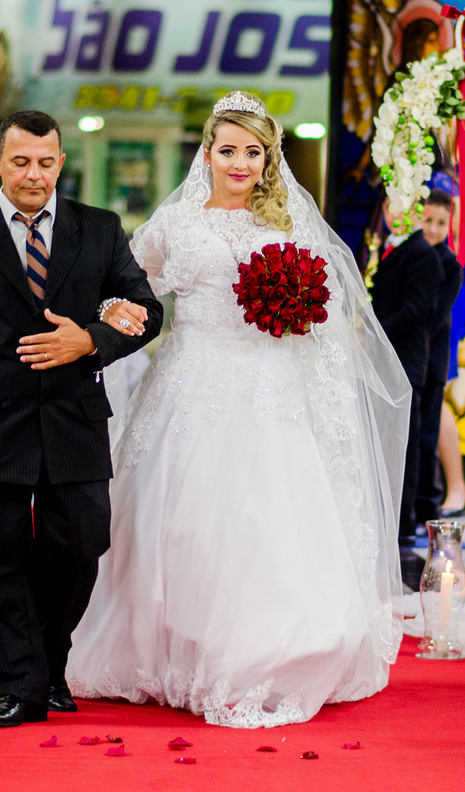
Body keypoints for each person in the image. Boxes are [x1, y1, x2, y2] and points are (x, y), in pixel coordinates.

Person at [64, 92, 412, 728]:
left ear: (267, 159)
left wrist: (298, 312)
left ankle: (271, 649)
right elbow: (128, 293)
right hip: (190, 380)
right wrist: (99, 328)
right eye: (229, 150)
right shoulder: (174, 225)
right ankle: (177, 646)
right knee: (185, 518)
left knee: (268, 514)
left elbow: (329, 311)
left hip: (269, 386)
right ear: (207, 154)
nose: (241, 162)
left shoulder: (282, 226)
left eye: (254, 152)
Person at [0, 110, 163, 728]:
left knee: (80, 547)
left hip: (75, 420)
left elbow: (148, 313)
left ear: (60, 164)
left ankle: (48, 665)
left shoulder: (99, 230)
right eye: (21, 162)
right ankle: (17, 686)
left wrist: (92, 340)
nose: (34, 174)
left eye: (46, 162)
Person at [369, 196, 443, 544]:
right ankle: (381, 516)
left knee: (406, 443)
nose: (395, 212)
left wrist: (374, 331)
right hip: (382, 359)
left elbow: (416, 310)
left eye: (404, 205)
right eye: (390, 205)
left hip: (405, 360)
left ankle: (401, 524)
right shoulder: (383, 247)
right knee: (383, 440)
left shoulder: (423, 254)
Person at [415, 189, 465, 522]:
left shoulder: (450, 264)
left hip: (432, 353)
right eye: (427, 221)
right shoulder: (413, 256)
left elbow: (434, 318)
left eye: (440, 223)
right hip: (416, 352)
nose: (433, 229)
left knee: (429, 427)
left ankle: (431, 500)